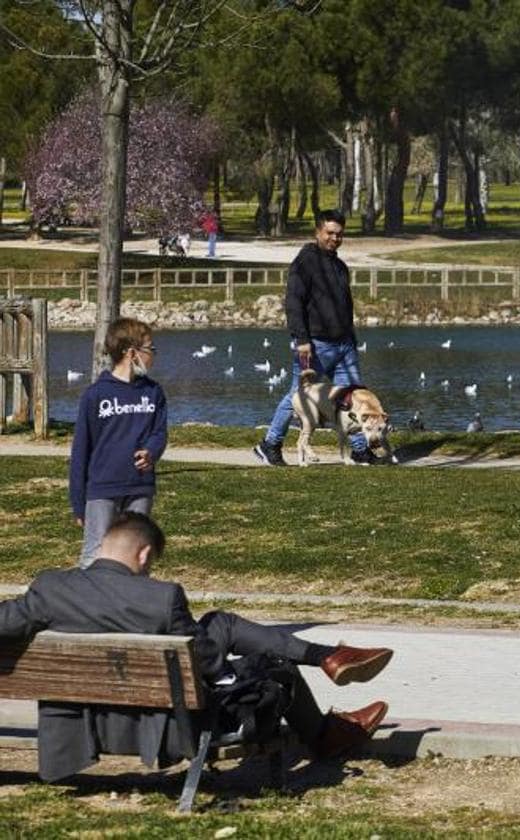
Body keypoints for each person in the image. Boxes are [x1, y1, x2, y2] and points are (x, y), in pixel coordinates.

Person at [0, 513, 394, 782]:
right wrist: (231, 669)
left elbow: (7, 621)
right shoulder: (161, 597)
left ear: (103, 546)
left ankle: (328, 660)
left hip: (92, 711)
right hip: (170, 716)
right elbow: (206, 663)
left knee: (219, 624)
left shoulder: (50, 589)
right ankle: (325, 701)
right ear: (144, 554)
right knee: (274, 667)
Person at [253, 209, 381, 466]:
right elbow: (293, 302)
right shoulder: (305, 262)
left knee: (354, 398)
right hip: (315, 345)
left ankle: (359, 449)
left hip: (344, 344)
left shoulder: (339, 266)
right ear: (318, 232)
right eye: (330, 233)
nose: (334, 238)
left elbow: (345, 305)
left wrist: (351, 337)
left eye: (339, 234)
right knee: (296, 398)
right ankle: (270, 444)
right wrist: (302, 339)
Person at [70, 318, 168, 568]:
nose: (154, 355)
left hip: (140, 487)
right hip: (102, 489)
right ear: (131, 353)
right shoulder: (95, 395)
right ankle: (88, 604)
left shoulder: (153, 392)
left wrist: (152, 452)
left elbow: (159, 432)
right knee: (96, 553)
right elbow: (81, 450)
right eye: (151, 349)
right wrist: (78, 502)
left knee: (137, 555)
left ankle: (131, 605)